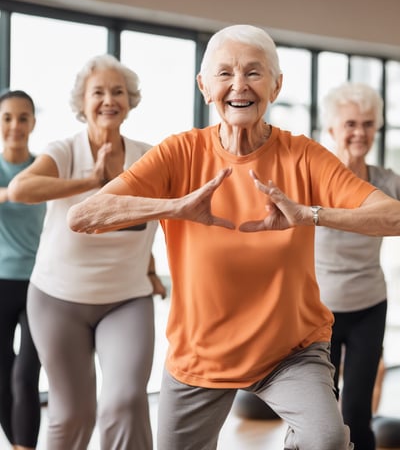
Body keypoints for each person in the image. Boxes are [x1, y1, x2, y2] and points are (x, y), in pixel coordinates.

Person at [66, 24, 400, 450]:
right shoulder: (180, 152)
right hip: (199, 354)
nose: (239, 85)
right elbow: (84, 216)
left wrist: (310, 215)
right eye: (224, 74)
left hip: (290, 350)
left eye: (254, 73)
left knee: (327, 438)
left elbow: (393, 215)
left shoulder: (304, 155)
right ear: (204, 86)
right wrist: (174, 207)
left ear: (276, 86)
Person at [8, 55, 166, 450]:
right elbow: (21, 190)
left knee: (126, 402)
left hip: (125, 300)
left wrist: (149, 267)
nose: (109, 100)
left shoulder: (148, 157)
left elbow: (150, 221)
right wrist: (90, 181)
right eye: (99, 92)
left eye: (118, 92)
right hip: (57, 300)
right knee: (71, 412)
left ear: (130, 101)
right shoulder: (65, 150)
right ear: (83, 102)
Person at [315, 81, 400, 450]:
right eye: (350, 124)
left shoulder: (386, 182)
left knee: (357, 411)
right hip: (320, 308)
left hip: (369, 306)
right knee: (321, 416)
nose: (359, 132)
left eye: (367, 124)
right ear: (333, 128)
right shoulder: (315, 180)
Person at [0, 90, 46, 450]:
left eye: (23, 118)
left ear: (32, 122)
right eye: (7, 118)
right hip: (0, 285)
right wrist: (8, 193)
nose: (15, 125)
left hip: (38, 284)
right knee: (2, 374)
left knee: (26, 374)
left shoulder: (43, 168)